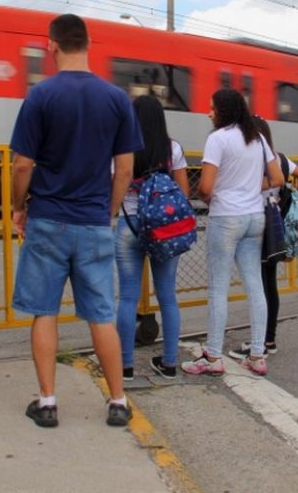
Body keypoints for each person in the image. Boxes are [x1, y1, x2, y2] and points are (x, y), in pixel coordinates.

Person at [10, 14, 143, 428]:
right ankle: (118, 402)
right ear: (89, 44)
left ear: (51, 45)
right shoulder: (117, 98)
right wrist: (107, 211)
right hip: (93, 222)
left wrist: (18, 207)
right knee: (101, 314)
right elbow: (124, 170)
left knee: (44, 312)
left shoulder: (40, 96)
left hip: (48, 219)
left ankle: (47, 402)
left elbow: (22, 164)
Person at [182, 88, 283, 377]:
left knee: (218, 288)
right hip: (254, 219)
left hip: (226, 218)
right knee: (255, 284)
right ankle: (257, 354)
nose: (208, 112)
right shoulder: (258, 138)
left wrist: (212, 197)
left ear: (223, 110)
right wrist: (251, 189)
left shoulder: (217, 139)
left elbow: (205, 188)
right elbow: (277, 178)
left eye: (212, 108)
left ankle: (212, 357)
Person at [114, 95, 189, 381]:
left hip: (129, 226)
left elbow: (116, 186)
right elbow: (182, 193)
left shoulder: (122, 146)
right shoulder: (172, 148)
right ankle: (169, 364)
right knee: (167, 296)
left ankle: (125, 367)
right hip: (163, 228)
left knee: (128, 296)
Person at [228, 116, 298, 361]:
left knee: (259, 285)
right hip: (276, 227)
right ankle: (270, 339)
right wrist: (286, 197)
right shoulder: (283, 160)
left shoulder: (256, 161)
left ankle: (261, 344)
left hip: (257, 227)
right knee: (270, 284)